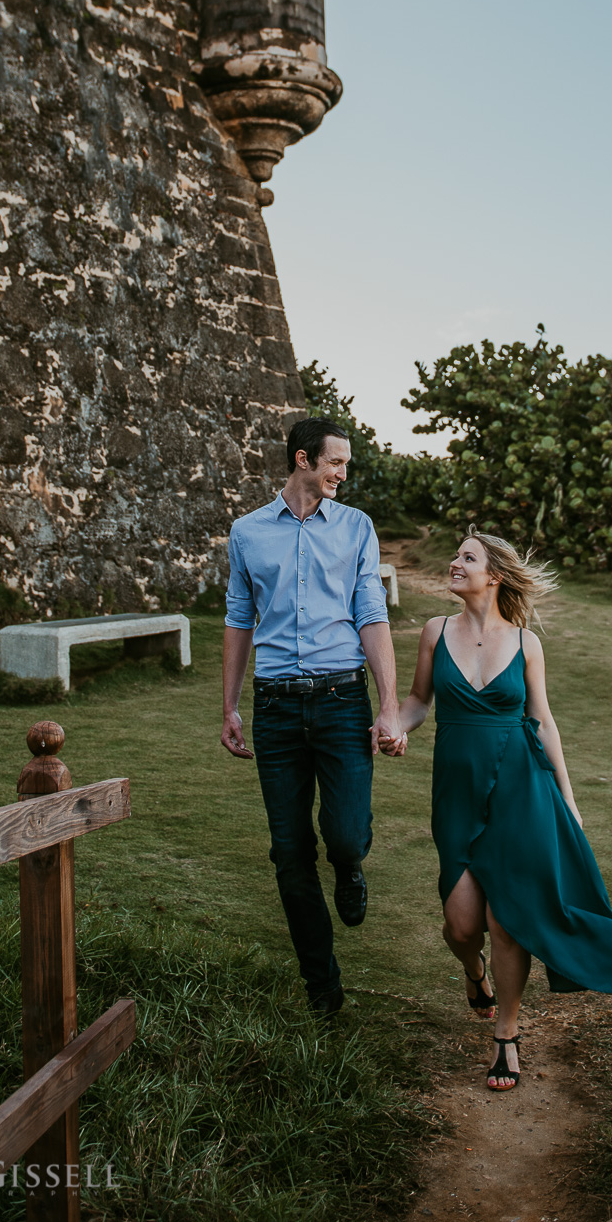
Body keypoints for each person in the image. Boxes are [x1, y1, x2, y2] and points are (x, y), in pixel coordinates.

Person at [387, 527, 612, 1089]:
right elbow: (419, 701)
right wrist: (394, 728)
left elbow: (544, 721)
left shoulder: (525, 644)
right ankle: (474, 974)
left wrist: (567, 799)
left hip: (523, 790)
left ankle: (507, 1035)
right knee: (461, 922)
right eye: (456, 555)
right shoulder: (433, 632)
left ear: (493, 574)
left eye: (465, 557)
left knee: (508, 919)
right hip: (457, 790)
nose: (454, 562)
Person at [221, 416, 402, 1016]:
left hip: (341, 701)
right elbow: (238, 620)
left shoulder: (357, 529)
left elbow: (371, 615)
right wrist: (229, 706)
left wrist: (388, 704)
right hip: (274, 706)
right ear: (303, 460)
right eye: (336, 463)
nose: (343, 474)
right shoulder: (246, 533)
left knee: (345, 833)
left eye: (346, 464)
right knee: (289, 850)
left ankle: (349, 866)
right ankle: (322, 986)